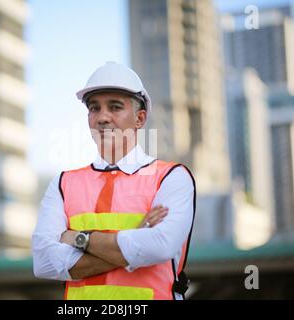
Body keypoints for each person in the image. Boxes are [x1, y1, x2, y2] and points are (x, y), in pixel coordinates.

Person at [33, 61, 196, 300]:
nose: (102, 117)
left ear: (140, 119)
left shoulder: (172, 177)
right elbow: (43, 262)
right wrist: (132, 245)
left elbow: (160, 245)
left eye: (115, 107)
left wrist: (79, 238)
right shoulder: (63, 183)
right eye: (94, 108)